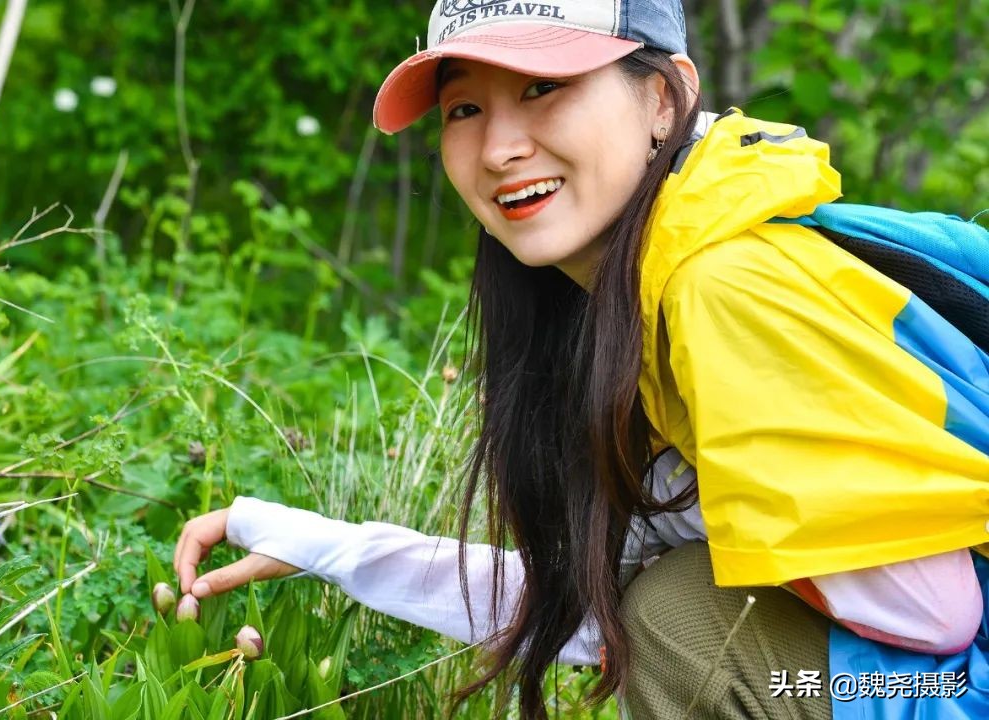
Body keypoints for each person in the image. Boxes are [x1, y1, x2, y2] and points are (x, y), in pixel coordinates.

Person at [173, 1, 989, 718]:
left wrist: (711, 515)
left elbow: (931, 610)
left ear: (662, 98)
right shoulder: (625, 286)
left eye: (543, 88)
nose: (498, 149)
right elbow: (586, 603)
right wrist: (327, 548)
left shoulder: (720, 286)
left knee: (679, 622)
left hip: (953, 677)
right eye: (463, 107)